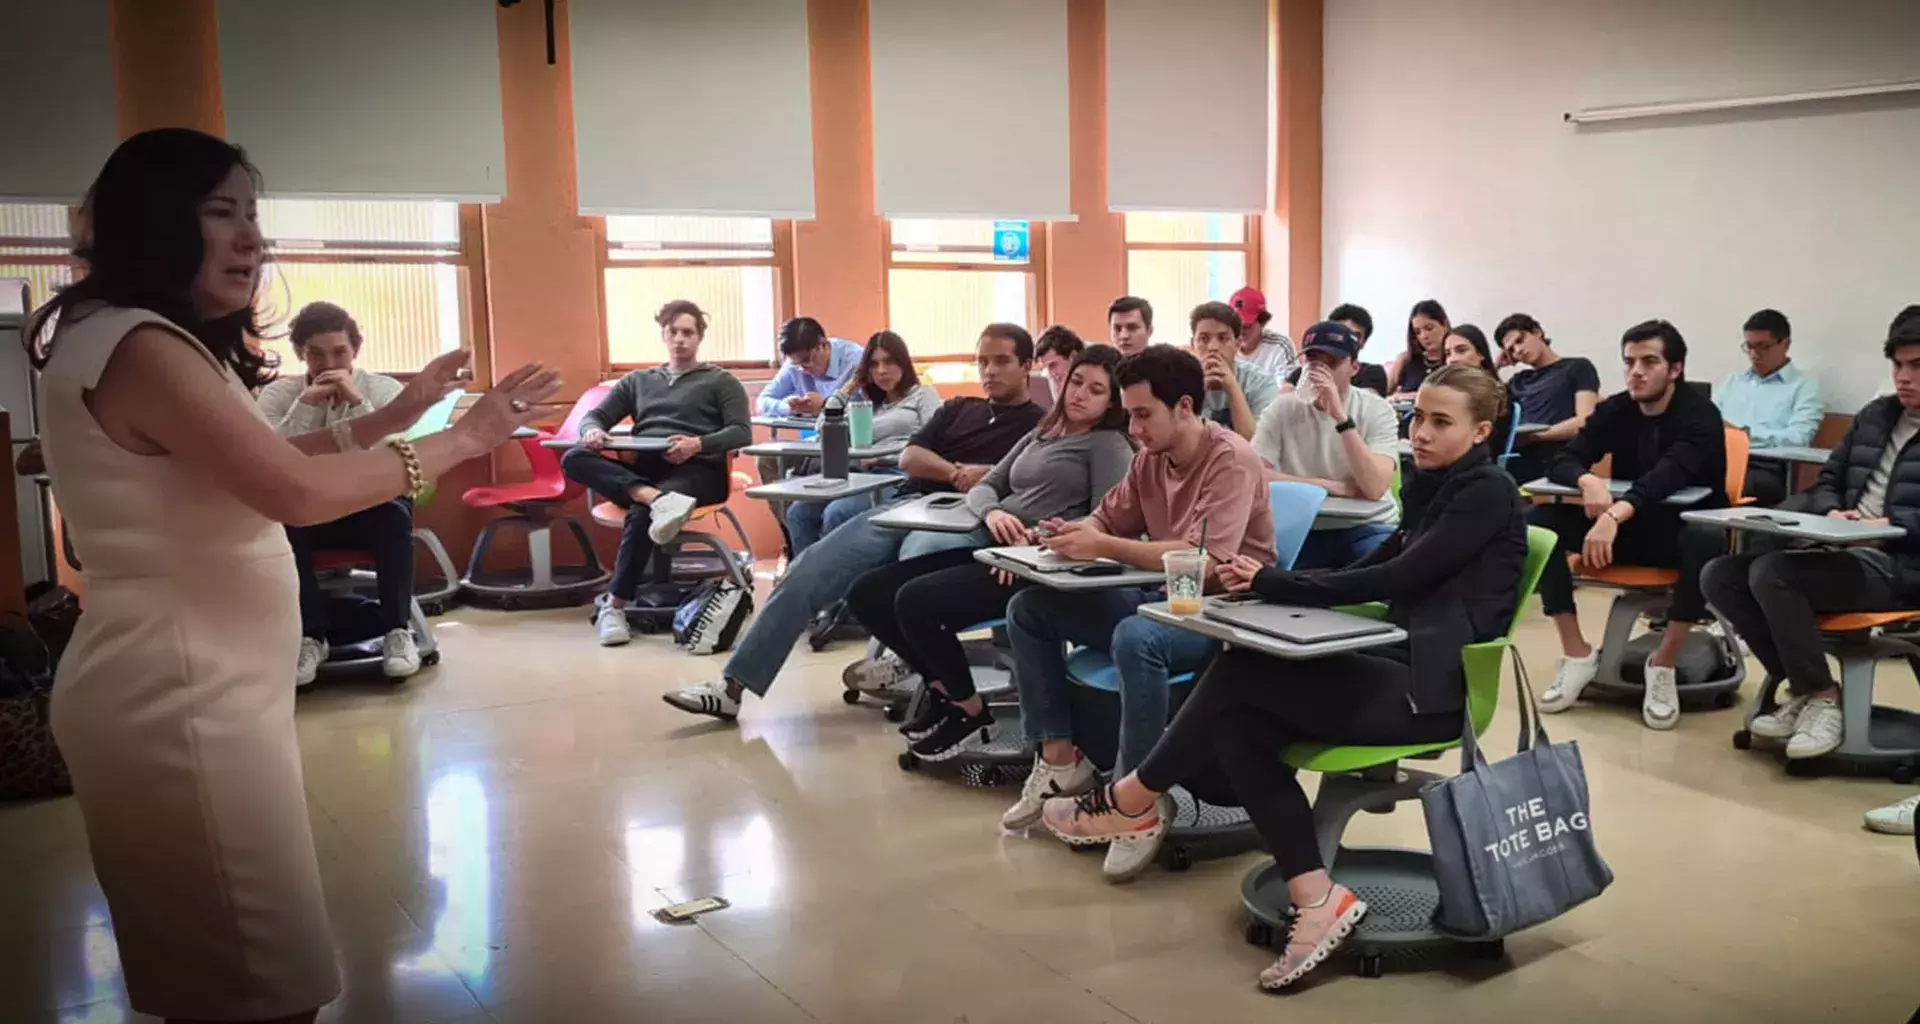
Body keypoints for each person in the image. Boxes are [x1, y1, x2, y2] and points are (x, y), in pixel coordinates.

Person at [27, 128, 557, 1024]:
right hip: (178, 700)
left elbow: (262, 453)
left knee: (227, 984)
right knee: (259, 989)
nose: (250, 241)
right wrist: (467, 439)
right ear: (155, 221)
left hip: (191, 687)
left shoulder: (122, 335)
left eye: (254, 217)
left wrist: (405, 409)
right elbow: (294, 490)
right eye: (220, 214)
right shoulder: (142, 346)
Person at [1035, 364, 1526, 991]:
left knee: (1242, 675)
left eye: (1440, 423)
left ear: (1483, 430)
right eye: (1417, 419)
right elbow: (1378, 564)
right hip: (1398, 661)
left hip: (1434, 688)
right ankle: (1317, 899)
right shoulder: (1435, 486)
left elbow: (1395, 581)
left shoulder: (1486, 491)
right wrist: (1268, 588)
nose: (1421, 434)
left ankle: (1132, 799)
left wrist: (1271, 581)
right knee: (1239, 721)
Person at [663, 325, 1043, 721]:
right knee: (808, 568)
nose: (990, 371)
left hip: (973, 517)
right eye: (983, 361)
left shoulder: (1040, 426)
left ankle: (906, 663)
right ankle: (732, 686)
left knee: (907, 575)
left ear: (1026, 366)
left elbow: (1023, 481)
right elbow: (910, 457)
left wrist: (986, 476)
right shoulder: (958, 408)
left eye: (1001, 361)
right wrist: (956, 472)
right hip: (908, 503)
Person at [1000, 346, 1276, 882]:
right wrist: (1067, 533)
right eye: (1130, 414)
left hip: (1231, 608)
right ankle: (1061, 760)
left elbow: (1208, 561)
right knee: (1029, 608)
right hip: (1165, 596)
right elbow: (1109, 518)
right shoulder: (1149, 457)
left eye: (1144, 414)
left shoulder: (1231, 458)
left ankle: (1135, 799)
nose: (1135, 427)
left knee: (1136, 637)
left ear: (1185, 406)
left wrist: (1102, 546)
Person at [842, 345, 1135, 759]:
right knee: (867, 592)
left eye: (1097, 390)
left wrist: (1035, 541)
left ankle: (969, 712)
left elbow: (1105, 519)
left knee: (915, 602)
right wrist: (994, 512)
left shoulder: (1108, 445)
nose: (1080, 395)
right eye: (1077, 382)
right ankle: (947, 693)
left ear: (1114, 400)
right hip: (991, 547)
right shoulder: (1044, 431)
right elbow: (985, 485)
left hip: (1036, 565)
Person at [1700, 320, 1920, 760]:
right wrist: (1831, 511)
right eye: (1897, 365)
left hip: (1901, 564)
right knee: (1720, 574)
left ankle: (1820, 696)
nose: (1903, 376)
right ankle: (1801, 686)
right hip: (1846, 548)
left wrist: (1890, 524)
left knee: (1774, 573)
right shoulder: (1877, 415)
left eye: (1917, 366)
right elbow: (1830, 478)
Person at [1532, 320, 1728, 730]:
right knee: (1539, 523)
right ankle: (1578, 653)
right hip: (1625, 532)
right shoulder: (1617, 409)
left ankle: (1664, 664)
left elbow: (1669, 474)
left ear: (1676, 369)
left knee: (1706, 536)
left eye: (1649, 362)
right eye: (1629, 362)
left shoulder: (1701, 415)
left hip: (1677, 536)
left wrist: (1611, 514)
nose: (1636, 371)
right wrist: (1587, 481)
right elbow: (1565, 458)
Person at [561, 301, 751, 646]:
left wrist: (698, 443)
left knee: (641, 509)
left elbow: (741, 432)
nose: (680, 339)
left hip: (699, 471)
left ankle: (615, 606)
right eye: (673, 332)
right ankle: (656, 498)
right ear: (663, 335)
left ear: (699, 338)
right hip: (646, 470)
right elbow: (596, 416)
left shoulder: (721, 381)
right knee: (574, 458)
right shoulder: (638, 381)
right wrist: (591, 431)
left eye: (688, 333)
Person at [254, 302, 421, 683]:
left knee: (394, 515)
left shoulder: (384, 389)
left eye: (339, 352)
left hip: (368, 507)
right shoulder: (278, 396)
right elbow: (269, 455)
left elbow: (396, 456)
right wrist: (306, 405)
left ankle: (397, 631)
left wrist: (358, 404)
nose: (328, 363)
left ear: (355, 351)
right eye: (315, 353)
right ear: (301, 353)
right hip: (308, 510)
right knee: (277, 523)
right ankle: (312, 637)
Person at [1251, 321, 1400, 568]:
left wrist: (1341, 419)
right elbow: (1254, 475)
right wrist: (1323, 486)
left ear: (1354, 367)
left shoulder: (1377, 410)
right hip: (1302, 526)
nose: (1319, 371)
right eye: (1312, 361)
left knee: (1378, 567)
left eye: (1331, 363)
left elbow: (1374, 488)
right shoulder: (1282, 408)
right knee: (1263, 571)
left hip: (1365, 526)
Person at [785, 330, 943, 554]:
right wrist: (850, 386)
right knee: (798, 513)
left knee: (837, 512)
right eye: (873, 365)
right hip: (862, 477)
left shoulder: (922, 395)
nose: (881, 371)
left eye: (888, 362)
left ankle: (835, 580)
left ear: (903, 363)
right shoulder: (868, 407)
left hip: (900, 477)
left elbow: (938, 444)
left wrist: (885, 458)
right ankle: (802, 581)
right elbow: (824, 426)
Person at [1716, 308, 1823, 506]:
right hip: (1719, 459)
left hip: (1765, 468)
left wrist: (1743, 436)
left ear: (1786, 344)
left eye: (1763, 346)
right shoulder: (1734, 382)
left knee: (1722, 486)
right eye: (1749, 347)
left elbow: (1800, 439)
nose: (1755, 354)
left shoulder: (1804, 385)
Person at [1499, 313, 1601, 484]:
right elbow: (1484, 400)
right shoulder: (1518, 381)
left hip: (1559, 461)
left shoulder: (1577, 367)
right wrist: (1496, 365)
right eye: (1510, 350)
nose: (1518, 350)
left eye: (1520, 340)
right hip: (1515, 463)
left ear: (1537, 332)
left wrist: (1534, 437)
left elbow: (1585, 422)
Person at [1190, 301, 1279, 439]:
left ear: (1237, 344)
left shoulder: (1262, 382)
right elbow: (1177, 442)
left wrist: (1231, 386)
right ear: (1193, 344)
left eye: (1223, 338)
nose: (1213, 347)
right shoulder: (1179, 380)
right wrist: (1198, 391)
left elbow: (1256, 445)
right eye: (1204, 339)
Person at [754, 316, 862, 417]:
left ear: (823, 344)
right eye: (797, 364)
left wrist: (827, 407)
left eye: (807, 360)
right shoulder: (793, 365)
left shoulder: (857, 361)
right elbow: (762, 402)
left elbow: (875, 412)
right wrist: (788, 407)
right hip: (811, 435)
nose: (802, 370)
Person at [1285, 302, 1390, 396]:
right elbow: (1284, 399)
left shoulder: (1373, 373)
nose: (1347, 340)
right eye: (1340, 332)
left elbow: (1369, 404)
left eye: (1355, 336)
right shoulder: (1305, 371)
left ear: (1363, 343)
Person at [1442, 323, 1514, 452]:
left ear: (1481, 354)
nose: (1452, 359)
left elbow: (1489, 444)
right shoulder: (1445, 393)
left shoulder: (1495, 395)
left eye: (1461, 350)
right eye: (1448, 353)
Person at [1229, 285, 1296, 378]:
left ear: (1262, 321)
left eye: (1246, 325)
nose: (1240, 330)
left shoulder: (1280, 346)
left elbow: (1286, 389)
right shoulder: (1224, 345)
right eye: (1235, 325)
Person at [1387, 299, 1450, 397]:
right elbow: (1381, 395)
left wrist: (1413, 396)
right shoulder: (1407, 360)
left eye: (1429, 328)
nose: (1424, 336)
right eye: (1417, 332)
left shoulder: (1455, 360)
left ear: (1445, 325)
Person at [1034, 323, 1085, 398]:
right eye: (1045, 368)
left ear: (1073, 357)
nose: (1050, 375)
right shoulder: (1050, 382)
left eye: (1053, 365)